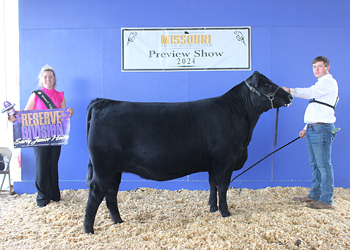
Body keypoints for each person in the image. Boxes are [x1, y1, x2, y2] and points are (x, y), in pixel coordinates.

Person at [8, 64, 74, 207]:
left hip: (55, 136)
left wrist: (70, 112)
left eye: (50, 76)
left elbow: (64, 116)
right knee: (41, 165)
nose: (48, 79)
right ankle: (43, 197)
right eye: (45, 77)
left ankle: (55, 194)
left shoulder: (60, 95)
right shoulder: (36, 95)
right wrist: (14, 117)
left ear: (54, 79)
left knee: (53, 164)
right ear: (41, 79)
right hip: (39, 136)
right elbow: (26, 114)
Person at [282, 56, 338, 209]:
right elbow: (319, 109)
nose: (316, 69)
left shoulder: (328, 82)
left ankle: (326, 200)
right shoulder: (321, 85)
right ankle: (315, 195)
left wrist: (290, 91)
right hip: (314, 128)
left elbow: (309, 92)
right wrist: (306, 128)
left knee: (323, 165)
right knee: (315, 164)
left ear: (327, 67)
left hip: (322, 129)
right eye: (314, 66)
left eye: (319, 66)